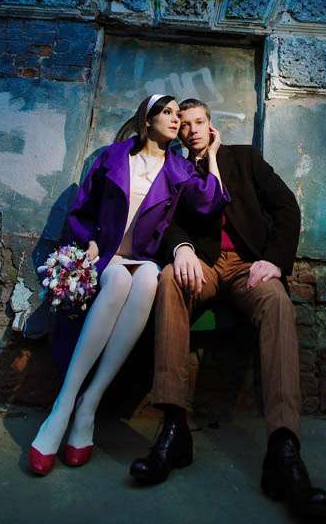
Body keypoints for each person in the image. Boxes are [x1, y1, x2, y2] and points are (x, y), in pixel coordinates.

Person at [129, 98, 326, 521]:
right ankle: (174, 427)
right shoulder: (176, 168)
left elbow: (286, 207)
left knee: (276, 301)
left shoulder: (244, 159)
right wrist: (181, 248)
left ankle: (283, 447)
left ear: (211, 125)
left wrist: (275, 261)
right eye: (184, 124)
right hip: (203, 266)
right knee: (168, 279)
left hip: (247, 266)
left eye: (198, 122)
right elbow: (166, 219)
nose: (192, 130)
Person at [28, 93, 229, 476]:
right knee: (119, 278)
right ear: (147, 119)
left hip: (144, 259)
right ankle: (64, 405)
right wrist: (88, 241)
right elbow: (83, 208)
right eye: (167, 112)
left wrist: (213, 154)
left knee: (149, 276)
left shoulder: (177, 168)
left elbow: (211, 201)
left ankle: (89, 405)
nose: (176, 119)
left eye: (178, 114)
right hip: (105, 256)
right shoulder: (114, 156)